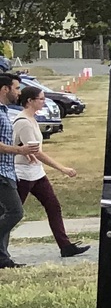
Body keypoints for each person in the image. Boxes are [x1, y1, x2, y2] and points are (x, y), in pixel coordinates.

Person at [13, 84, 88, 256]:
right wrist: (63, 168)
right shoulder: (23, 122)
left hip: (36, 173)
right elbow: (36, 152)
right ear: (30, 101)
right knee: (12, 213)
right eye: (41, 99)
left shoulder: (32, 119)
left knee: (53, 206)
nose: (44, 102)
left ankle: (65, 246)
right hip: (23, 174)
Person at [0, 74, 28, 269]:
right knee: (15, 212)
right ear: (5, 89)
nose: (19, 92)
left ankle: (3, 259)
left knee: (4, 213)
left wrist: (23, 149)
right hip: (1, 173)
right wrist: (19, 150)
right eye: (16, 88)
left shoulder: (5, 111)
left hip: (8, 170)